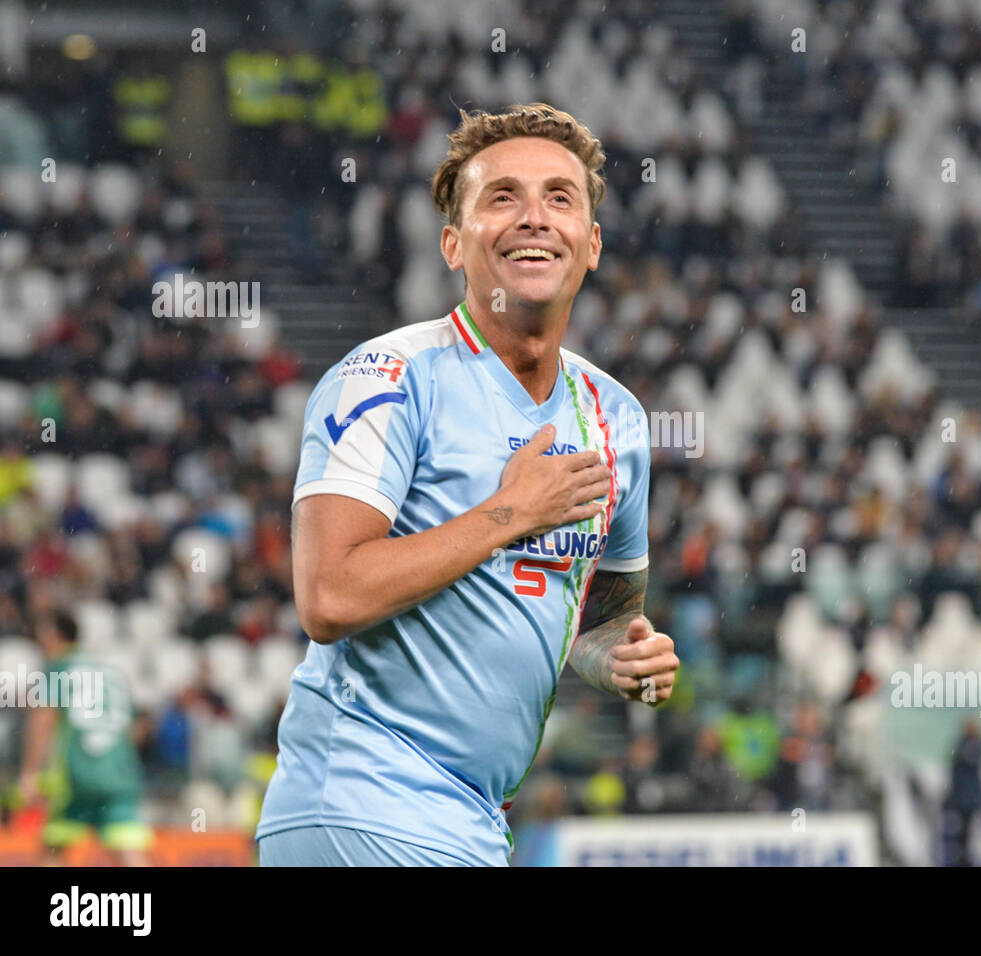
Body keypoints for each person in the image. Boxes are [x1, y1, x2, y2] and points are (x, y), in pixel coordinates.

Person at [256, 103, 678, 866]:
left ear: (591, 243)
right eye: (502, 197)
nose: (534, 219)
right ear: (454, 242)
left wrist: (622, 657)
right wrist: (511, 511)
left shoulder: (618, 418)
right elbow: (329, 598)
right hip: (361, 796)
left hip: (471, 820)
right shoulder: (385, 379)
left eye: (559, 198)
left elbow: (603, 619)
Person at [18, 611, 153, 865]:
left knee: (54, 846)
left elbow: (43, 718)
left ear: (53, 636)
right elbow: (138, 725)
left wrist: (30, 774)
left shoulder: (58, 669)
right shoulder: (110, 671)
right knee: (128, 848)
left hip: (77, 772)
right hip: (120, 773)